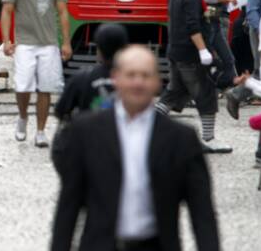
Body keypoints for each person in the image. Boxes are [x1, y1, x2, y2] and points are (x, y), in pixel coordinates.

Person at [50, 46, 220, 251]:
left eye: (145, 75)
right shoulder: (86, 132)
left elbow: (202, 212)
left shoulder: (181, 138)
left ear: (157, 82)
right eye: (131, 75)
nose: (138, 82)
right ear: (116, 78)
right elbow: (69, 204)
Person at [156, 0, 238, 153]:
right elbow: (192, 25)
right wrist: (203, 50)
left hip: (176, 51)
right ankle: (209, 139)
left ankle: (145, 128)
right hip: (190, 54)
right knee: (206, 93)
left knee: (173, 93)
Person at [1, 0, 71, 147]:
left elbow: (62, 11)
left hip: (49, 42)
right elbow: (7, 11)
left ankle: (41, 131)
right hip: (25, 42)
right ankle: (23, 116)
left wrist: (65, 42)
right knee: (22, 86)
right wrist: (6, 40)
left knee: (45, 88)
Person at [54, 23, 127, 124]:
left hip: (89, 131)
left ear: (99, 49)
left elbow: (60, 111)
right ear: (124, 48)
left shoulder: (81, 78)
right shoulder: (136, 80)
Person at [199, 0, 239, 91]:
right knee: (220, 57)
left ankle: (222, 86)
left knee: (228, 58)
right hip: (211, 21)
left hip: (215, 21)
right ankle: (211, 87)